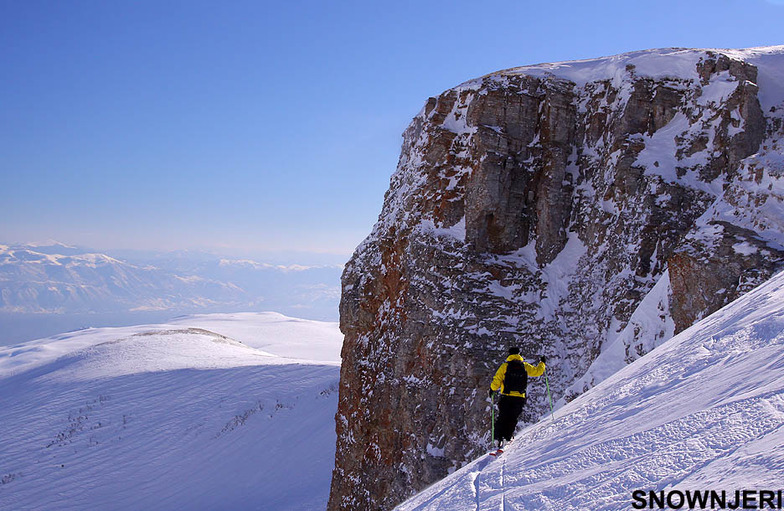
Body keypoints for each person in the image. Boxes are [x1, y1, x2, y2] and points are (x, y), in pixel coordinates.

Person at [488, 347, 546, 449]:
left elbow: (497, 380)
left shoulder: (505, 366)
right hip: (519, 397)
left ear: (509, 354)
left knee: (502, 417)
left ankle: (497, 438)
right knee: (512, 418)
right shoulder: (524, 365)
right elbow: (537, 372)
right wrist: (542, 363)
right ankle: (507, 437)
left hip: (506, 396)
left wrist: (492, 389)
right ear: (519, 354)